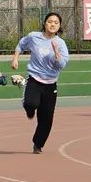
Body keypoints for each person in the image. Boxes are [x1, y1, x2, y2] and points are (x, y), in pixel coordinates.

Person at [10, 12, 69, 153]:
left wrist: (57, 53)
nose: (53, 24)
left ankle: (38, 144)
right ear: (45, 23)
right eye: (50, 21)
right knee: (31, 103)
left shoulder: (61, 44)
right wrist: (15, 58)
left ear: (59, 26)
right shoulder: (34, 37)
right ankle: (29, 108)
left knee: (46, 118)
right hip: (35, 78)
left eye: (56, 22)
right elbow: (21, 45)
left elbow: (62, 65)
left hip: (51, 83)